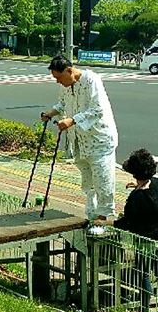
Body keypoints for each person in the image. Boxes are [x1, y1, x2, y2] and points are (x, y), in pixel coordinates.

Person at [41, 55, 118, 222]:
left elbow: (98, 110)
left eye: (59, 77)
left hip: (99, 139)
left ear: (69, 71)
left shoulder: (92, 80)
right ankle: (91, 213)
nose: (58, 82)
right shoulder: (65, 85)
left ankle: (105, 215)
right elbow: (62, 103)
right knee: (87, 178)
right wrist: (50, 113)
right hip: (80, 139)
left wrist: (72, 120)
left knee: (102, 177)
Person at [94, 149, 158, 312]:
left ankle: (143, 310)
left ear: (135, 173)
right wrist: (141, 184)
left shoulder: (136, 198)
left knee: (143, 274)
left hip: (145, 239)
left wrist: (104, 221)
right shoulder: (157, 183)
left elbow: (125, 223)